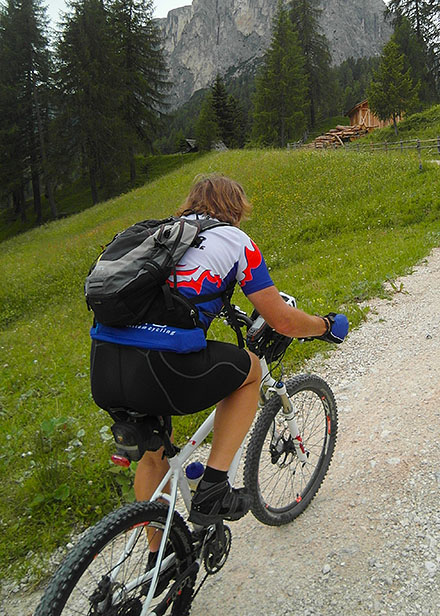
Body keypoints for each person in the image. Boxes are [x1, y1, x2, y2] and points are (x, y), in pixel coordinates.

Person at [90, 174, 348, 529]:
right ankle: (213, 488)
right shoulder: (235, 240)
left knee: (154, 460)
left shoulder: (159, 237)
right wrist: (325, 325)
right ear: (236, 209)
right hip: (163, 368)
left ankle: (159, 565)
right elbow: (282, 320)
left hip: (106, 366)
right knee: (251, 371)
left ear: (191, 202)